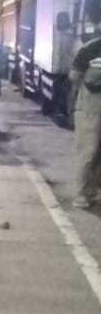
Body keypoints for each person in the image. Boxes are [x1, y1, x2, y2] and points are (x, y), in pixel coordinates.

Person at [67, 32, 101, 208]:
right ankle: (80, 194)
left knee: (98, 155)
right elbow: (74, 75)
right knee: (88, 151)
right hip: (90, 107)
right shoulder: (91, 49)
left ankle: (92, 191)